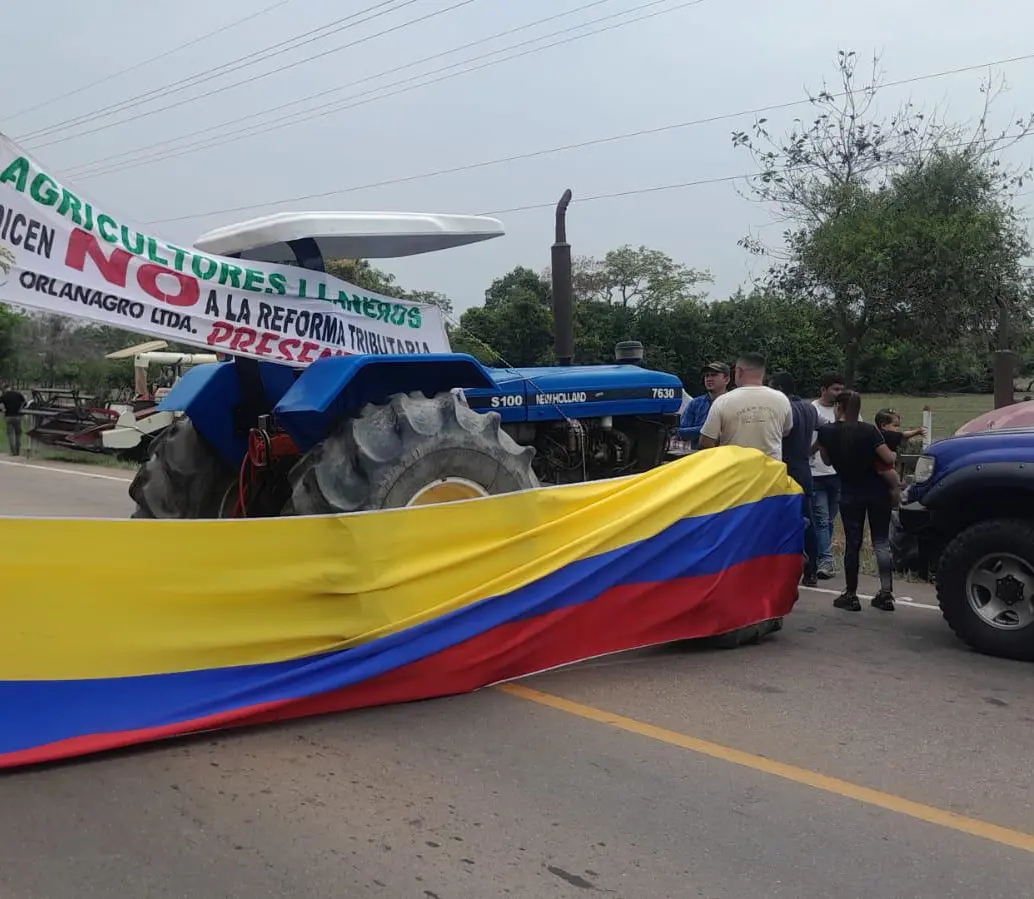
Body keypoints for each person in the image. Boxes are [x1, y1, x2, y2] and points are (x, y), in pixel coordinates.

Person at [815, 390, 900, 613]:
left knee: (853, 543)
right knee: (881, 542)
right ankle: (886, 593)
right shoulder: (869, 431)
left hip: (850, 493)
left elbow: (825, 458)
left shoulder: (826, 431)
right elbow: (888, 457)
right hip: (877, 492)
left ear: (838, 407)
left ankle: (851, 594)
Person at [769, 371, 820, 587]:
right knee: (808, 522)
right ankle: (812, 570)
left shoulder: (784, 408)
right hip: (804, 468)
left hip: (785, 469)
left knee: (779, 522)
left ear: (779, 389)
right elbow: (823, 430)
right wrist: (811, 450)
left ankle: (784, 566)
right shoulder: (810, 408)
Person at [698, 352, 792, 460]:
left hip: (735, 470)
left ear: (739, 371)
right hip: (770, 472)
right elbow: (786, 431)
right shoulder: (781, 399)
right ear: (763, 372)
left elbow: (705, 442)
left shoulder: (723, 401)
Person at [809, 372, 846, 580]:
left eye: (842, 389)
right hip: (816, 472)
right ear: (823, 390)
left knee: (830, 519)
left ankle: (821, 556)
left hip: (838, 474)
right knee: (821, 519)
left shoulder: (847, 411)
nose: (839, 393)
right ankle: (826, 560)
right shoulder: (811, 410)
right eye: (835, 389)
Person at [677, 362, 730, 450]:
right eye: (706, 376)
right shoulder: (695, 403)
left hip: (726, 455)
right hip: (699, 456)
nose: (709, 379)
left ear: (726, 379)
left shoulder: (733, 403)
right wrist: (708, 429)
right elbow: (681, 433)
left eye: (713, 375)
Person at [0, 385, 26, 457]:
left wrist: (2, 410)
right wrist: (21, 410)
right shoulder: (18, 394)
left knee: (10, 435)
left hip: (8, 416)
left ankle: (13, 451)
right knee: (18, 434)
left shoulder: (3, 396)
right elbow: (25, 403)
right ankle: (18, 451)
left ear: (5, 389)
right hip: (18, 416)